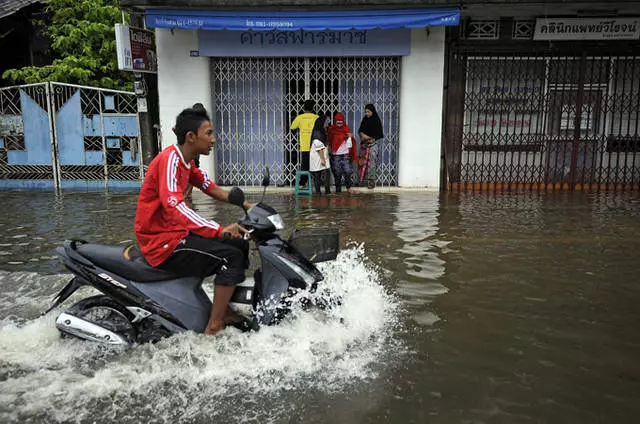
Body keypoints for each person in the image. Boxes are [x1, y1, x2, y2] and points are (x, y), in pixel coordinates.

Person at [134, 107, 252, 336]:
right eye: (209, 133)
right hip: (162, 243)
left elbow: (209, 187)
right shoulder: (170, 160)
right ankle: (215, 324)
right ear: (191, 137)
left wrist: (246, 205)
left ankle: (223, 308)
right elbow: (174, 205)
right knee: (231, 256)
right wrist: (219, 230)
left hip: (176, 233)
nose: (213, 139)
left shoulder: (187, 163)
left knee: (240, 242)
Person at [289, 100, 318, 187]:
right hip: (315, 145)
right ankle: (316, 184)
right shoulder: (316, 117)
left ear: (303, 108)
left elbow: (292, 127)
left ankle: (303, 183)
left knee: (305, 166)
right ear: (313, 108)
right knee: (316, 166)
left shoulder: (300, 117)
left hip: (305, 146)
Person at [327, 112, 357, 193]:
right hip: (335, 155)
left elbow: (350, 141)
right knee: (337, 173)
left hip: (345, 154)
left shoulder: (346, 129)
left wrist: (350, 137)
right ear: (335, 121)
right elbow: (329, 141)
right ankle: (338, 190)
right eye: (338, 121)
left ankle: (348, 187)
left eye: (341, 121)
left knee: (347, 171)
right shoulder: (331, 129)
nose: (339, 122)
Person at [358, 104, 384, 189]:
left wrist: (368, 137)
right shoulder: (364, 119)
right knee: (363, 162)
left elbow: (378, 135)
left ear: (372, 111)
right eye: (366, 112)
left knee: (372, 162)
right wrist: (363, 135)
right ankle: (362, 181)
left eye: (368, 112)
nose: (367, 113)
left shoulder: (376, 120)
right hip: (364, 145)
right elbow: (360, 131)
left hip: (374, 145)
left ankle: (371, 181)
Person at [309, 116, 331, 195]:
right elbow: (319, 148)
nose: (327, 125)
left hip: (320, 156)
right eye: (326, 123)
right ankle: (322, 192)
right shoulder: (317, 133)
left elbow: (324, 144)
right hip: (318, 157)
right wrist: (323, 159)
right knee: (320, 174)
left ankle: (320, 192)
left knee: (319, 174)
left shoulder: (321, 131)